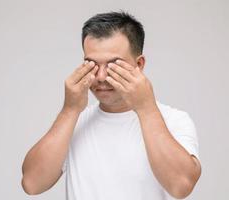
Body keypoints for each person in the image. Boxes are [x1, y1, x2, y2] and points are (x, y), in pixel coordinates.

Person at [21, 11, 202, 200]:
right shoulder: (74, 122)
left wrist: (146, 109)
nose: (100, 77)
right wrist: (69, 110)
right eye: (91, 64)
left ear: (139, 64)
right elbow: (32, 183)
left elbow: (181, 186)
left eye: (113, 65)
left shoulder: (174, 120)